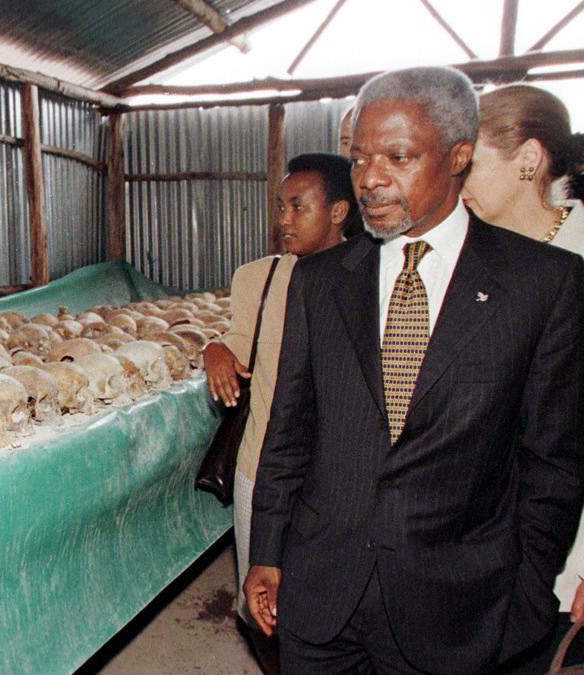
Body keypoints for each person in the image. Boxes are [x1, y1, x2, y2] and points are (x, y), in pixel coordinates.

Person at [244, 66, 584, 675]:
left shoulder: (542, 284)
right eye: (359, 158)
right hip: (322, 598)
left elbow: (551, 463)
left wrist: (525, 597)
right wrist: (266, 550)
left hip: (456, 609)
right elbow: (289, 430)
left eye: (397, 157)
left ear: (459, 157)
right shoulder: (321, 282)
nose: (371, 179)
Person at [204, 152, 358, 672]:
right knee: (261, 605)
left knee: (331, 607)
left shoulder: (371, 278)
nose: (283, 219)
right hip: (263, 470)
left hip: (339, 479)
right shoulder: (259, 278)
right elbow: (238, 343)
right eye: (281, 207)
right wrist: (214, 347)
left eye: (297, 206)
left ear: (338, 211)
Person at [461, 84, 584, 673]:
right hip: (481, 549)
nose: (457, 185)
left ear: (528, 161)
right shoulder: (480, 260)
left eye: (472, 165)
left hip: (569, 563)